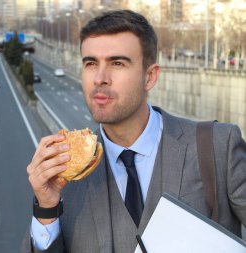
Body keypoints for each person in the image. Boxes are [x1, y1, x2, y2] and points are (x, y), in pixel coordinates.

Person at [22, 10, 246, 253]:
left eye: (117, 63)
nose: (100, 78)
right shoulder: (64, 174)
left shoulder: (217, 148)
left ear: (150, 77)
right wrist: (46, 209)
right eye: (90, 63)